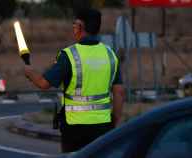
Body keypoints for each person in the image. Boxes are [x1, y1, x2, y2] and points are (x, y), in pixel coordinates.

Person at [24, 8, 124, 153]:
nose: (73, 28)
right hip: (103, 125)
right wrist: (114, 120)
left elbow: (43, 83)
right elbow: (119, 92)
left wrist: (30, 72)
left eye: (74, 25)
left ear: (80, 27)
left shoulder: (69, 55)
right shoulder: (110, 54)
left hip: (74, 128)